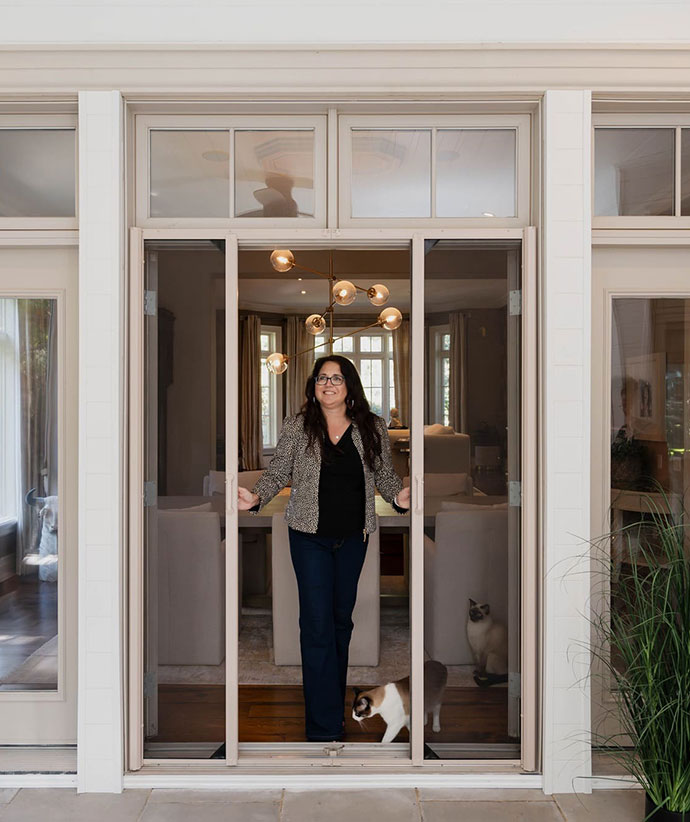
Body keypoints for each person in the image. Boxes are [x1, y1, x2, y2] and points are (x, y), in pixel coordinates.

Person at [237, 355, 411, 742]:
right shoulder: (299, 426)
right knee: (316, 626)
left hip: (353, 538)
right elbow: (280, 468)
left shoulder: (372, 427)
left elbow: (383, 474)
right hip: (308, 537)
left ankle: (333, 710)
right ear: (313, 386)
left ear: (350, 385)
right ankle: (323, 727)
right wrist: (256, 497)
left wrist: (399, 496)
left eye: (336, 378)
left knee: (339, 623)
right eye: (321, 378)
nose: (328, 384)